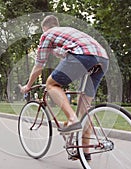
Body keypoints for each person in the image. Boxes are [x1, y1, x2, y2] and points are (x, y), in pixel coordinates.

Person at [19, 15, 109, 159]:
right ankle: (85, 153)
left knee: (51, 84)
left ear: (45, 28)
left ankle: (72, 120)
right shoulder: (68, 33)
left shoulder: (47, 34)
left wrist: (28, 86)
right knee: (84, 108)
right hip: (102, 58)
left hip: (83, 55)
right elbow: (65, 56)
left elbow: (39, 65)